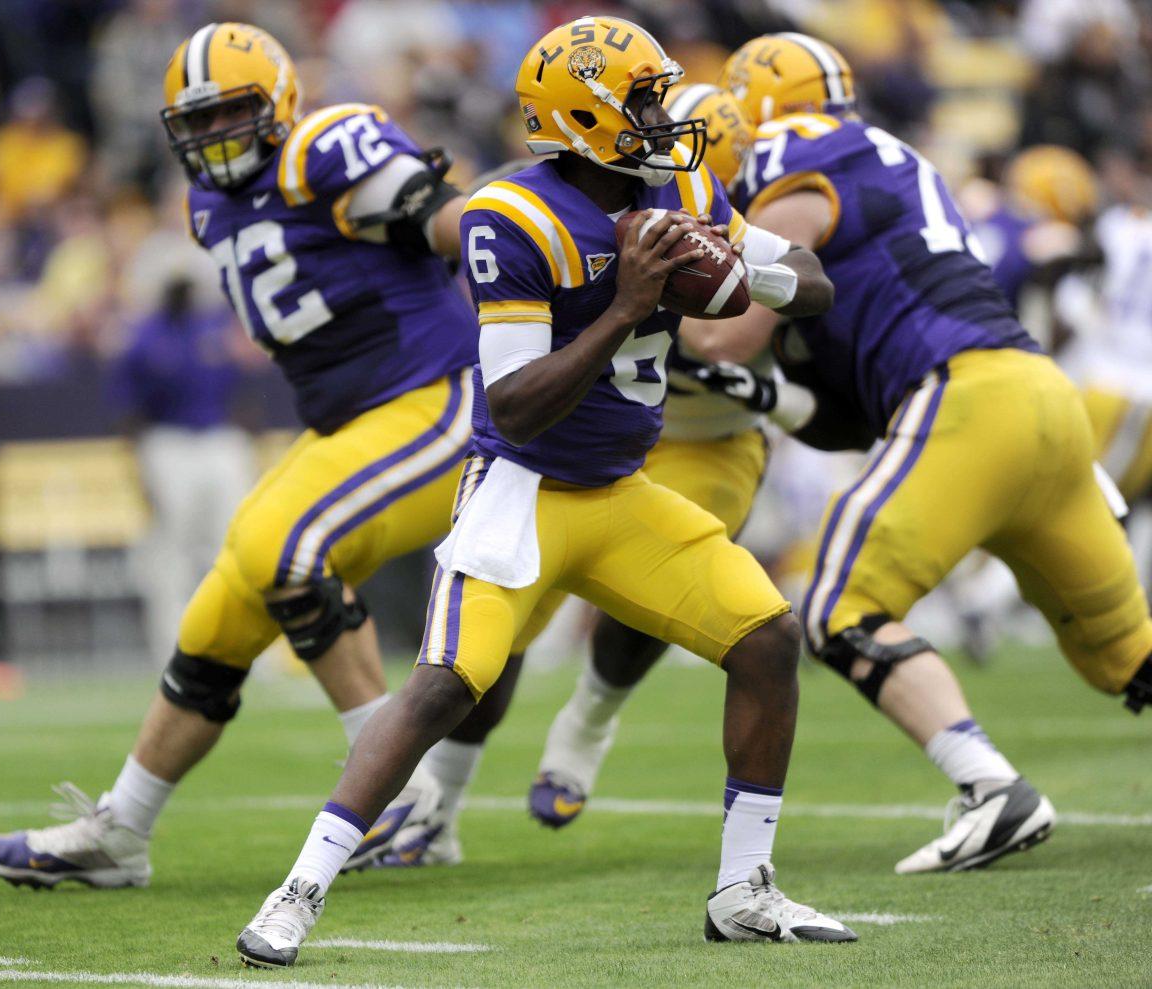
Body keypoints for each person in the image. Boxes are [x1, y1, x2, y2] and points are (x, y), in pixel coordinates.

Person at [235, 16, 854, 969]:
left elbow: (811, 282)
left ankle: (744, 888)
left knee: (767, 638)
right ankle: (298, 891)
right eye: (643, 100)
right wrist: (628, 304)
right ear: (588, 116)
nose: (664, 115)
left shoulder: (678, 184)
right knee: (446, 685)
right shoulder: (509, 217)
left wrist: (746, 270)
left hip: (619, 491)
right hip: (522, 487)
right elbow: (516, 404)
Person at [0, 21, 512, 889]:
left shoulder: (328, 150)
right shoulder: (206, 205)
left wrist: (513, 228)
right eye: (196, 122)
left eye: (231, 113)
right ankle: (122, 830)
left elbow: (453, 225)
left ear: (280, 105)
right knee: (220, 605)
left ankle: (395, 790)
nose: (213, 136)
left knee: (282, 549)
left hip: (437, 398)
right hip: (350, 426)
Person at [695, 32, 1152, 873]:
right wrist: (766, 390)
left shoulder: (789, 157)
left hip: (966, 400)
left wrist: (645, 318)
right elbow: (847, 412)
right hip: (1041, 401)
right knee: (1125, 657)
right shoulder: (893, 157)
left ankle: (988, 787)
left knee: (838, 608)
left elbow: (725, 337)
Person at [110, 275, 256, 665]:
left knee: (237, 543)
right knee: (172, 549)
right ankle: (174, 650)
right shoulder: (143, 336)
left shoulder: (213, 325)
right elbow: (128, 410)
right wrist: (138, 465)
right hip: (167, 442)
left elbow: (240, 387)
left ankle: (247, 648)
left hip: (218, 437)